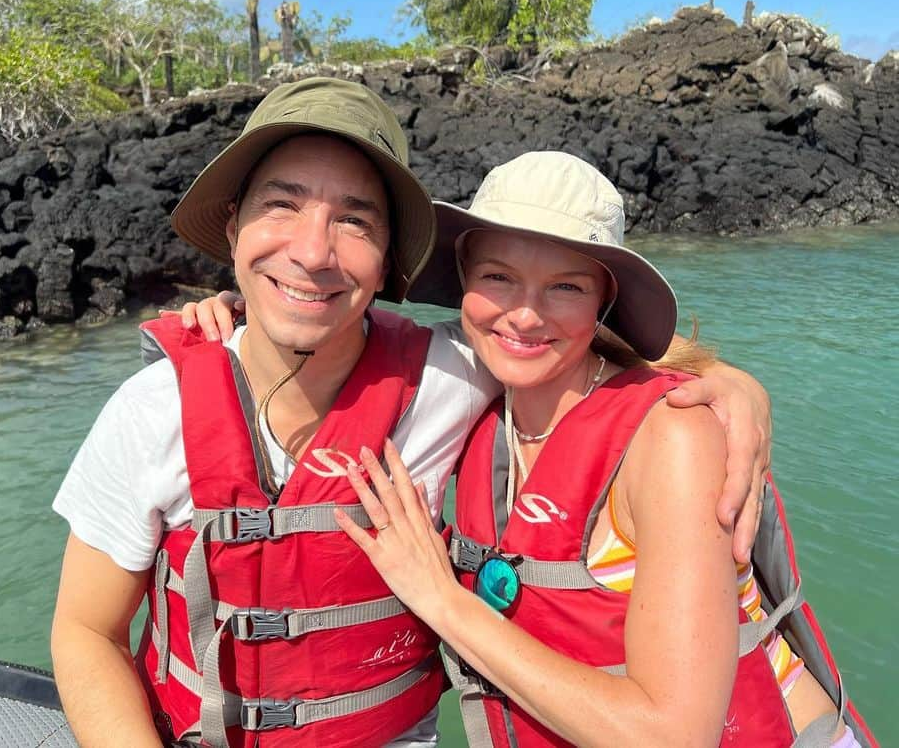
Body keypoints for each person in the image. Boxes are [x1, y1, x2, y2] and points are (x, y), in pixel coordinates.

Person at [51, 79, 771, 748]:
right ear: (233, 227)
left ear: (390, 256)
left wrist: (730, 381)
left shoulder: (451, 377)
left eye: (355, 221)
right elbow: (87, 630)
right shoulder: (151, 411)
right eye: (281, 204)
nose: (311, 251)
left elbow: (556, 333)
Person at [327, 152, 876, 746]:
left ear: (603, 302)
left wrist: (442, 599)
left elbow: (675, 736)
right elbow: (329, 338)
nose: (525, 314)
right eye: (498, 277)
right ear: (464, 280)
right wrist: (223, 314)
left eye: (565, 286)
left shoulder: (672, 436)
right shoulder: (477, 389)